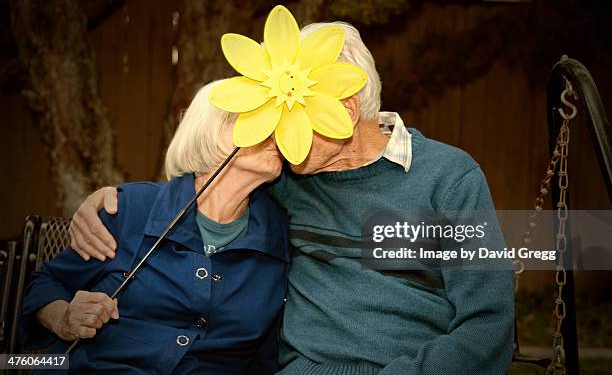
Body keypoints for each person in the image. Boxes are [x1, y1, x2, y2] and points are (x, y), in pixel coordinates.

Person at [69, 22, 515, 374]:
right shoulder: (285, 179)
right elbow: (206, 190)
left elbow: (487, 325)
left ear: (343, 112)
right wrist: (109, 200)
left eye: (289, 113)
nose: (275, 131)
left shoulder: (449, 177)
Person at [20, 81, 290, 374]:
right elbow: (45, 284)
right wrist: (63, 318)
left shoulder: (281, 235)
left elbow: (264, 358)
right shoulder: (130, 208)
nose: (273, 128)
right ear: (210, 132)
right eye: (253, 115)